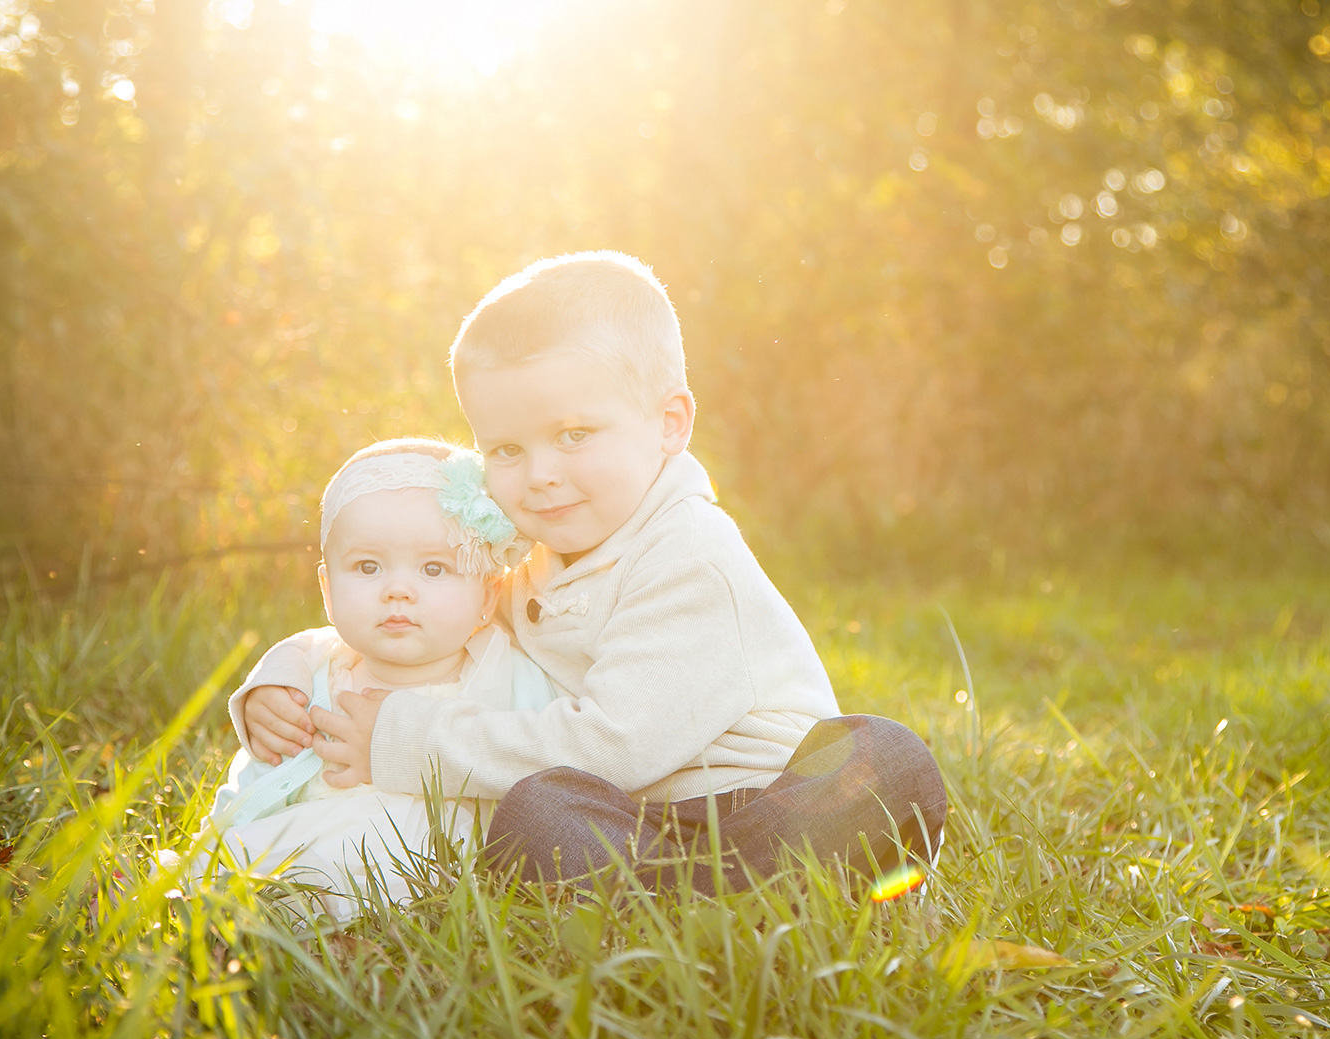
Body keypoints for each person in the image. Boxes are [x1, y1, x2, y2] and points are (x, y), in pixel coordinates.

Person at [239, 251, 946, 894]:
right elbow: (420, 618)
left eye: (574, 435)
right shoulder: (538, 553)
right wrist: (290, 673)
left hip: (759, 806)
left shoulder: (689, 553)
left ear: (669, 423)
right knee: (540, 810)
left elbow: (617, 744)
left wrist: (403, 737)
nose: (541, 476)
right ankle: (692, 905)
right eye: (507, 449)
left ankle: (740, 896)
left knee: (883, 759)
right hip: (637, 822)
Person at [202, 438, 553, 919]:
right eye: (368, 567)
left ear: (488, 597)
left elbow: (551, 761)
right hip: (302, 847)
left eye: (434, 568)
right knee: (241, 867)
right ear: (327, 589)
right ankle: (214, 899)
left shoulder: (504, 676)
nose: (398, 591)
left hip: (426, 867)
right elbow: (260, 781)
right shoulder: (315, 679)